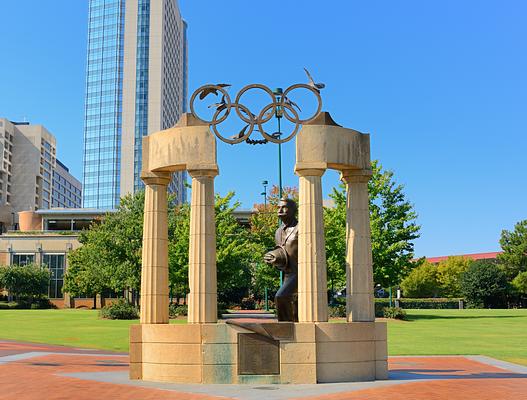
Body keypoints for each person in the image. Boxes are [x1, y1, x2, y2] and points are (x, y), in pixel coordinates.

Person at [263, 198, 298, 321]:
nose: (280, 210)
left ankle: (286, 329)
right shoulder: (278, 231)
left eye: (284, 207)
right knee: (294, 303)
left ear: (294, 210)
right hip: (287, 273)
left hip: (300, 272)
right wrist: (273, 257)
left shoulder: (301, 228)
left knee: (281, 296)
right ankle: (294, 328)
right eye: (278, 207)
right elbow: (281, 251)